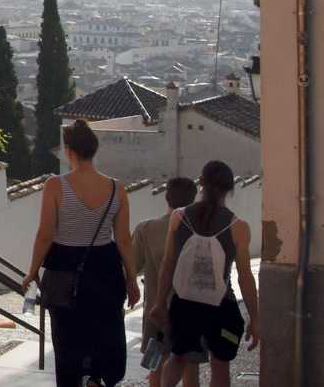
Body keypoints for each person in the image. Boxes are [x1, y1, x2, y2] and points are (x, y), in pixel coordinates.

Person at [19, 120, 140, 387]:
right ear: (93, 150)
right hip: (105, 269)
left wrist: (32, 271)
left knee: (67, 341)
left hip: (64, 269)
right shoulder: (116, 189)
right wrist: (131, 278)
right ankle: (95, 377)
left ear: (69, 150)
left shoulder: (55, 186)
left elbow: (45, 233)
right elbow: (123, 239)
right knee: (102, 332)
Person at [151, 161, 261, 387]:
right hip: (222, 305)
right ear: (229, 189)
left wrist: (160, 302)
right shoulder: (238, 227)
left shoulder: (179, 217)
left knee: (178, 357)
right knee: (220, 366)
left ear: (201, 184)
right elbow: (245, 276)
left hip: (184, 303)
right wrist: (255, 317)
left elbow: (168, 263)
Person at [134, 177, 199, 386]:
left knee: (154, 366)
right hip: (192, 311)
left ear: (166, 197)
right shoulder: (203, 231)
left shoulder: (146, 229)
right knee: (191, 368)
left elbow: (131, 267)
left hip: (157, 312)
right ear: (193, 199)